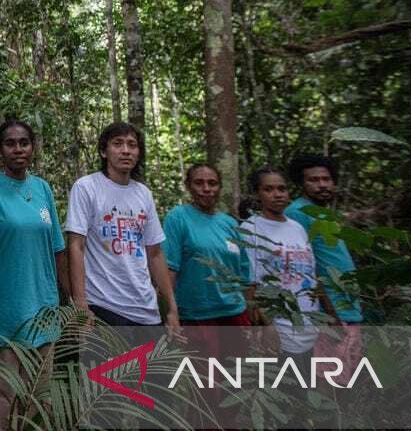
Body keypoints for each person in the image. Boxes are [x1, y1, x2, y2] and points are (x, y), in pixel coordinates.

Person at [0, 119, 67, 431]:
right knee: (2, 396)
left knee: (41, 399)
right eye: (10, 143)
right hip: (3, 311)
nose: (18, 149)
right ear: (0, 149)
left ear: (33, 146)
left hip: (44, 310)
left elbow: (57, 248)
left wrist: (71, 300)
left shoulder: (42, 189)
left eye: (24, 142)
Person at [65, 122, 179, 332]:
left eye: (132, 145)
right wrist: (81, 304)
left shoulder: (143, 193)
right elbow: (75, 246)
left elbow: (154, 253)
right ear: (103, 151)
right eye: (117, 144)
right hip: (103, 306)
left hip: (146, 310)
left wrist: (171, 309)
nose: (126, 150)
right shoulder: (86, 187)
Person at [239, 167, 331, 368]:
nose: (277, 194)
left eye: (282, 188)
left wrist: (328, 317)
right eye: (268, 189)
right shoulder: (251, 228)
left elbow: (312, 275)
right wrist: (265, 326)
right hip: (279, 329)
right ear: (258, 194)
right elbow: (251, 285)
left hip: (309, 327)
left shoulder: (297, 228)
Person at [162, 165, 253, 341]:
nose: (206, 189)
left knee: (238, 368)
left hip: (235, 313)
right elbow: (170, 270)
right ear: (188, 186)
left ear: (220, 187)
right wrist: (171, 312)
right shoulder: (178, 217)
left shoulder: (230, 223)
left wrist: (250, 317)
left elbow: (243, 273)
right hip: (196, 316)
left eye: (212, 183)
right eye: (199, 183)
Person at [285, 153, 363, 323]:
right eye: (313, 180)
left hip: (347, 305)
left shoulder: (325, 213)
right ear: (301, 183)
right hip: (327, 311)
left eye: (326, 179)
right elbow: (302, 266)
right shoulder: (297, 212)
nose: (322, 185)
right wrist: (329, 313)